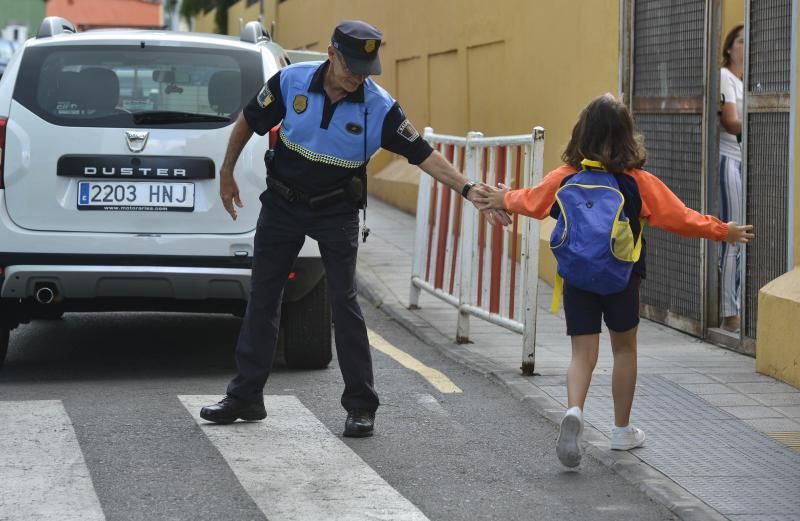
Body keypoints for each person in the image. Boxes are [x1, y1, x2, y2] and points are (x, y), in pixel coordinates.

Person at [200, 20, 508, 437]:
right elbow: (249, 120)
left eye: (368, 68)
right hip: (283, 204)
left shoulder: (379, 107)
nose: (360, 76)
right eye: (353, 67)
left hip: (336, 211)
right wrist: (227, 172)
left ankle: (361, 406)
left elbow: (422, 154)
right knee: (264, 297)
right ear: (331, 55)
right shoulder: (290, 82)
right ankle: (245, 397)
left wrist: (468, 188)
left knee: (344, 303)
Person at [475, 94, 753, 467]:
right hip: (622, 277)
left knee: (582, 353)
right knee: (624, 349)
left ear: (581, 134)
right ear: (627, 136)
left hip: (577, 276)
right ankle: (621, 430)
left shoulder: (566, 178)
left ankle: (574, 410)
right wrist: (723, 231)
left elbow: (532, 202)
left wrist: (501, 197)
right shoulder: (638, 182)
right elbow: (682, 218)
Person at [719, 24, 745, 333]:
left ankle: (737, 306)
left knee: (743, 238)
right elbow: (731, 122)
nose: (744, 46)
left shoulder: (747, 79)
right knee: (732, 235)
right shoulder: (725, 76)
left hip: (746, 163)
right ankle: (729, 314)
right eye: (740, 40)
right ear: (729, 47)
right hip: (729, 161)